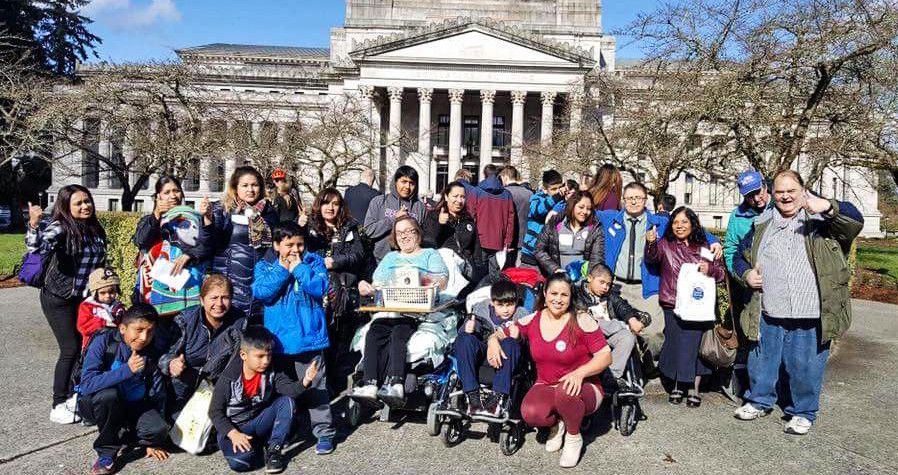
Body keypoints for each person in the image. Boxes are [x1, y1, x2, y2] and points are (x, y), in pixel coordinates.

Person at [732, 170, 863, 435]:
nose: (785, 196)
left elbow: (854, 222)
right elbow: (738, 256)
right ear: (773, 194)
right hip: (769, 308)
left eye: (791, 190)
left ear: (803, 191)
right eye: (780, 191)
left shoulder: (822, 222)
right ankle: (759, 400)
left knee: (805, 365)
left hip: (810, 310)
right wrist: (747, 274)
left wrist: (827, 207)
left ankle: (803, 411)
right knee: (762, 361)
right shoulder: (762, 224)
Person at [489, 274, 611, 468]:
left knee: (565, 391)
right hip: (546, 384)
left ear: (571, 297)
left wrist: (580, 373)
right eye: (553, 293)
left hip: (584, 387)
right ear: (545, 294)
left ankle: (573, 437)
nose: (558, 299)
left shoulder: (581, 319)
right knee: (530, 412)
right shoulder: (534, 318)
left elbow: (605, 356)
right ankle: (557, 425)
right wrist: (492, 340)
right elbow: (503, 331)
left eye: (564, 295)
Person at [597, 182, 722, 354]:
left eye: (638, 198)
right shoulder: (610, 219)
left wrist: (714, 240)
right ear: (623, 200)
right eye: (629, 198)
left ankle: (650, 365)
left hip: (646, 287)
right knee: (617, 330)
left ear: (646, 200)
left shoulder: (659, 223)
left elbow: (689, 227)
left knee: (654, 333)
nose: (633, 202)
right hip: (616, 286)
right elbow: (578, 207)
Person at [251, 222, 336, 455]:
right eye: (289, 245)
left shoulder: (313, 262)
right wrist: (282, 270)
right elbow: (261, 292)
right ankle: (288, 430)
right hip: (278, 343)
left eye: (299, 244)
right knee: (282, 391)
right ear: (277, 245)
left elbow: (320, 287)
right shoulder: (265, 266)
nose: (295, 250)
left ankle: (324, 431)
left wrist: (299, 269)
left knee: (316, 387)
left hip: (310, 338)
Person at [27, 184, 107, 424]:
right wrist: (33, 225)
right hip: (58, 298)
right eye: (78, 203)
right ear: (66, 207)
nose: (85, 206)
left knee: (85, 347)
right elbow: (37, 248)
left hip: (82, 299)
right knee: (69, 349)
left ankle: (74, 396)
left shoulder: (94, 228)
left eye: (87, 201)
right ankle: (58, 402)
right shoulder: (60, 228)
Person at [352, 216, 449, 403]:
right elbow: (378, 283)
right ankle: (370, 383)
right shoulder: (390, 258)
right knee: (374, 331)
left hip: (416, 310)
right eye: (399, 233)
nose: (404, 236)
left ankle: (397, 383)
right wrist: (368, 287)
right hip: (390, 308)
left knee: (398, 333)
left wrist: (417, 277)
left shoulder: (430, 255)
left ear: (418, 234)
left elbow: (443, 281)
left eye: (408, 231)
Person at [644, 206, 725, 407]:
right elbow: (652, 259)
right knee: (676, 344)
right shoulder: (665, 244)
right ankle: (677, 384)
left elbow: (721, 274)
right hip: (673, 302)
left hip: (698, 304)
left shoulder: (705, 246)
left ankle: (693, 387)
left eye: (684, 222)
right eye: (676, 222)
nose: (679, 226)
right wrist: (651, 243)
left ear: (693, 223)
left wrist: (711, 269)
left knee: (695, 345)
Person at [210, 326, 320, 473]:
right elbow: (215, 412)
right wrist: (233, 434)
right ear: (243, 355)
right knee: (241, 463)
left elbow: (289, 390)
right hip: (236, 427)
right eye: (260, 356)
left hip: (260, 421)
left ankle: (274, 450)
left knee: (286, 401)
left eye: (268, 355)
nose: (266, 361)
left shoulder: (272, 371)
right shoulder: (228, 378)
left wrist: (305, 381)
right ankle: (259, 446)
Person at [78, 304, 170, 475]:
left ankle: (123, 433)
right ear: (122, 328)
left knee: (159, 430)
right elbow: (87, 384)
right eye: (139, 330)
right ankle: (106, 453)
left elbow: (158, 394)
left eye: (150, 331)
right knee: (108, 395)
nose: (144, 337)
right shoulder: (104, 342)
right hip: (101, 404)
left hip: (133, 405)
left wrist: (153, 441)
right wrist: (127, 370)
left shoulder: (150, 351)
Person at [302, 187, 369, 394]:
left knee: (340, 339)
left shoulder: (350, 227)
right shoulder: (310, 228)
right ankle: (318, 383)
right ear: (319, 205)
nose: (330, 207)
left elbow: (358, 255)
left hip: (344, 291)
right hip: (318, 292)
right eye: (326, 202)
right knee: (321, 338)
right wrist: (301, 228)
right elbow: (302, 254)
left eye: (335, 203)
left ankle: (335, 382)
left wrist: (335, 262)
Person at [158, 274, 246, 412]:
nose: (219, 304)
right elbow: (164, 354)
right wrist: (171, 363)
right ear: (202, 300)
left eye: (225, 298)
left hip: (220, 390)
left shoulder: (240, 322)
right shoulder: (185, 321)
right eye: (214, 298)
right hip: (184, 388)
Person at [132, 175, 213, 312]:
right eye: (166, 192)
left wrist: (207, 219)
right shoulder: (150, 220)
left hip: (189, 286)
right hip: (154, 288)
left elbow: (208, 245)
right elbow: (141, 241)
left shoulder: (194, 219)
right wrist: (157, 214)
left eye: (176, 191)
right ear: (158, 196)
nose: (173, 196)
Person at [210, 166, 279, 320]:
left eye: (254, 185)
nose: (250, 190)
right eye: (245, 185)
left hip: (259, 281)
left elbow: (273, 247)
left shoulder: (269, 212)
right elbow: (211, 241)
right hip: (230, 281)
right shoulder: (222, 209)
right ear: (235, 187)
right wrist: (208, 222)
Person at [455, 280, 528, 417]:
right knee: (464, 338)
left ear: (516, 302)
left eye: (510, 305)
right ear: (492, 303)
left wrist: (519, 337)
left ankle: (497, 397)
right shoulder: (481, 309)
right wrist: (469, 327)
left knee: (510, 342)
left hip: (507, 357)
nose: (506, 310)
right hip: (483, 353)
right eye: (500, 305)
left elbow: (528, 340)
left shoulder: (521, 314)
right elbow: (472, 325)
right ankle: (472, 395)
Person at [575, 263, 650, 387]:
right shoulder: (577, 294)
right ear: (589, 278)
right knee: (595, 323)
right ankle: (620, 326)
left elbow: (623, 307)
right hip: (588, 336)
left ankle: (611, 376)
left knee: (627, 336)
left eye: (608, 284)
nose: (605, 287)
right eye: (602, 282)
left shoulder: (610, 296)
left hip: (608, 336)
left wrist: (632, 319)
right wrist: (620, 325)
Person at [422, 181, 484, 292]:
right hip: (443, 271)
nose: (459, 201)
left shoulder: (468, 220)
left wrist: (478, 271)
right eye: (455, 196)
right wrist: (439, 224)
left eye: (462, 197)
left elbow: (476, 249)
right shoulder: (434, 216)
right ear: (446, 196)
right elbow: (428, 243)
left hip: (465, 270)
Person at [456, 166, 516, 274]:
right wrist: (508, 241)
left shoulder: (477, 192)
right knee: (496, 275)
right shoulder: (507, 194)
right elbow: (510, 221)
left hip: (480, 240)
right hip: (499, 240)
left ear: (484, 175)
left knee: (479, 275)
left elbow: (470, 215)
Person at [533, 190, 606, 276]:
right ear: (572, 205)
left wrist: (587, 277)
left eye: (589, 209)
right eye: (581, 207)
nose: (585, 212)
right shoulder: (555, 224)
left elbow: (597, 258)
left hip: (582, 281)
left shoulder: (595, 229)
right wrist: (555, 269)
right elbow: (539, 250)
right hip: (557, 279)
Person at [364, 165, 426, 261]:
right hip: (380, 260)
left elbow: (423, 236)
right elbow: (369, 230)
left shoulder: (420, 207)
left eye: (411, 183)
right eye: (404, 182)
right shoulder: (379, 201)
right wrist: (393, 219)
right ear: (395, 182)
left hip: (410, 261)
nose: (407, 187)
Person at [723, 170, 770, 274]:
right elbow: (731, 250)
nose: (756, 199)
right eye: (750, 196)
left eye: (758, 192)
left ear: (765, 186)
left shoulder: (780, 207)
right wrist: (743, 276)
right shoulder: (736, 216)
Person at [522, 170, 565, 268]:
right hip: (531, 253)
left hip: (550, 256)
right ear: (545, 189)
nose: (558, 191)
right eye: (554, 189)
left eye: (559, 188)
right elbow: (538, 211)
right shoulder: (536, 199)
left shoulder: (562, 202)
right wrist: (556, 197)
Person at [77, 267, 125, 351]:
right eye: (103, 293)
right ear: (94, 293)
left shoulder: (118, 307)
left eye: (111, 292)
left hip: (115, 344)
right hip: (93, 345)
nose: (108, 296)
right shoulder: (88, 306)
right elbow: (83, 326)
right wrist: (103, 323)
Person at [498, 166, 533, 267]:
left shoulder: (503, 193)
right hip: (525, 238)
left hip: (507, 240)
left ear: (505, 177)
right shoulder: (529, 194)